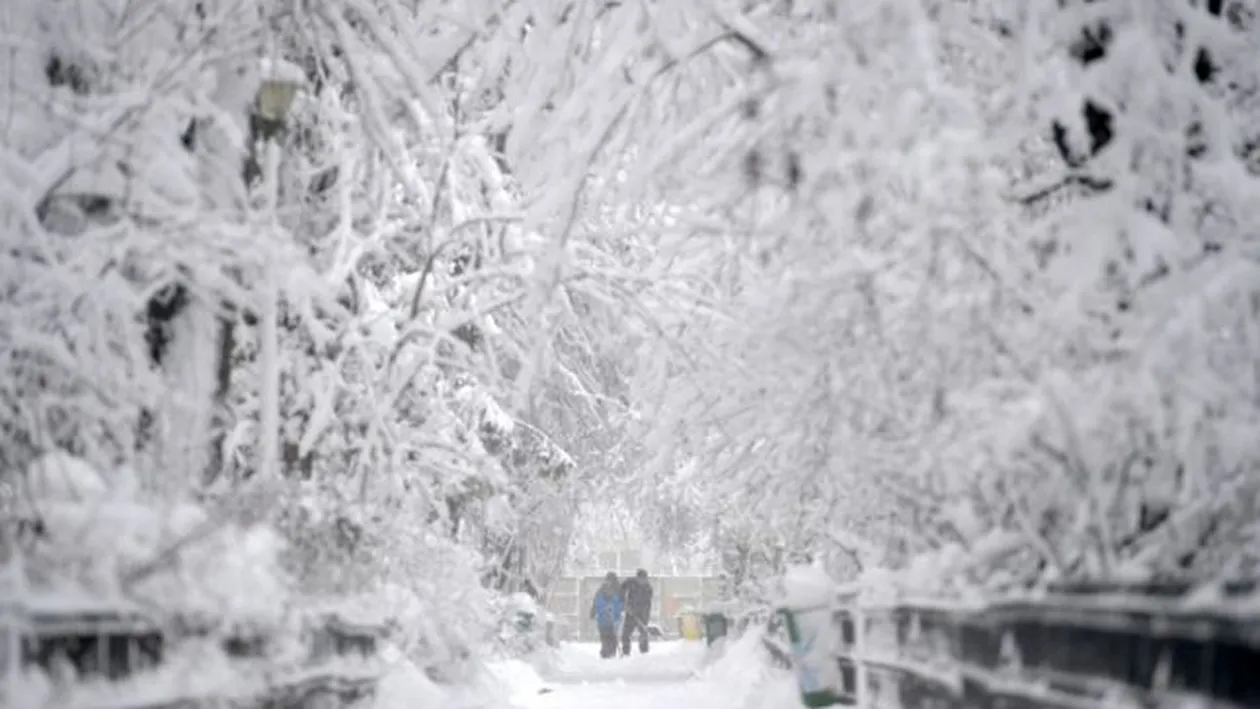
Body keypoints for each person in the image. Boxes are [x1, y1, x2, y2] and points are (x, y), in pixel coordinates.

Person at [590, 571, 624, 658]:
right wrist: (593, 612)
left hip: (614, 619)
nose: (609, 582)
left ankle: (610, 653)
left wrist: (616, 609)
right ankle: (605, 653)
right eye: (608, 580)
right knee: (605, 637)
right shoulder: (601, 591)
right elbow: (596, 602)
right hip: (603, 619)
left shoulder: (618, 591)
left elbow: (622, 604)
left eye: (611, 580)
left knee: (612, 637)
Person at [620, 568, 653, 655]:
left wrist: (644, 618)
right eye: (641, 579)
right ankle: (626, 652)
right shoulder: (630, 582)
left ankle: (644, 653)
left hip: (642, 614)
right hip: (630, 613)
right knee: (625, 634)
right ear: (637, 578)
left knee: (643, 633)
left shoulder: (648, 588)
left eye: (645, 579)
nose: (643, 581)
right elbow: (620, 590)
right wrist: (624, 603)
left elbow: (647, 605)